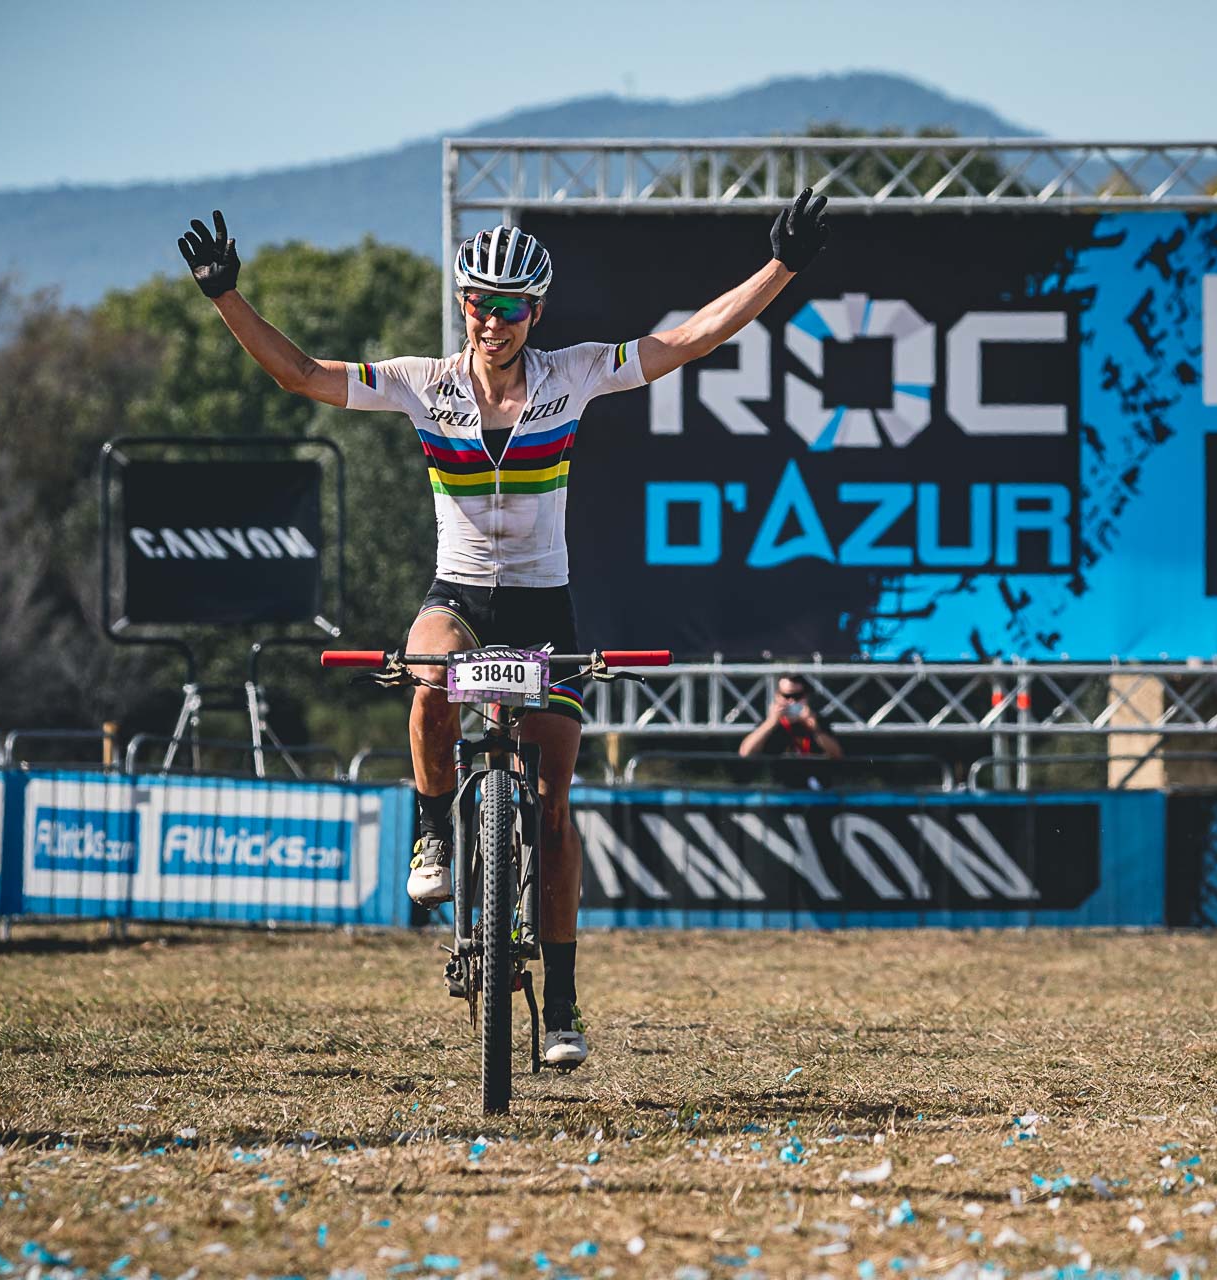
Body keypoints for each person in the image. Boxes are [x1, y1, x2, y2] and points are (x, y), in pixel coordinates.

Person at [177, 191, 830, 1067]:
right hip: (458, 596)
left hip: (542, 606)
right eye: (481, 303)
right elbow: (302, 375)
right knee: (429, 672)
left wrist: (781, 266)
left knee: (554, 811)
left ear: (537, 313)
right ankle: (432, 830)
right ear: (463, 303)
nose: (494, 321)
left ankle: (560, 1005)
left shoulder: (575, 374)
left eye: (512, 308)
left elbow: (689, 341)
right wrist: (225, 296)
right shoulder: (423, 383)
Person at [738, 673, 845, 761]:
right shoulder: (769, 724)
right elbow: (745, 753)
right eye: (786, 696)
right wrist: (770, 723)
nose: (792, 701)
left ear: (806, 697)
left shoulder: (818, 721)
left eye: (797, 696)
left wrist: (815, 729)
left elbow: (837, 754)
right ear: (777, 696)